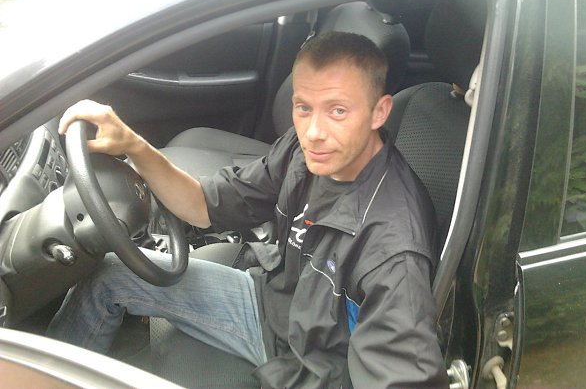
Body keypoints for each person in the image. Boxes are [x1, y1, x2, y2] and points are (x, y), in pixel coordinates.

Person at [48, 31, 448, 388]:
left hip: (312, 365)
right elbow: (204, 205)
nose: (314, 132)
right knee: (108, 275)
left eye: (338, 111)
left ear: (380, 112)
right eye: (303, 108)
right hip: (267, 301)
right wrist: (134, 146)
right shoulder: (303, 152)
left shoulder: (393, 252)